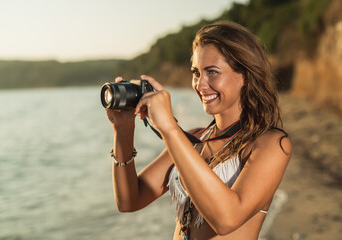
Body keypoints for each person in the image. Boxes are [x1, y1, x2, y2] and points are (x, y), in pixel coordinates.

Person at [105, 21, 292, 240]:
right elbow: (129, 201)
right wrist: (123, 130)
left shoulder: (271, 144)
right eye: (196, 72)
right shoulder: (194, 139)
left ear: (245, 75)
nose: (200, 85)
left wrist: (169, 128)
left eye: (212, 72)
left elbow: (226, 219)